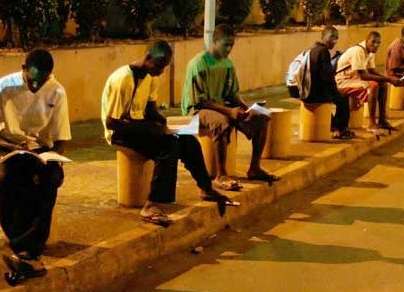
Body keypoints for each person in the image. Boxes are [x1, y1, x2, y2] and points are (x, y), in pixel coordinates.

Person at [101, 40, 230, 226]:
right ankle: (152, 204)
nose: (161, 71)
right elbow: (112, 122)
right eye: (159, 66)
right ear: (148, 58)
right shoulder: (123, 79)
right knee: (168, 147)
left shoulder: (151, 77)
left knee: (188, 140)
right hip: (119, 131)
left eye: (164, 67)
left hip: (139, 125)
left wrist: (167, 124)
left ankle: (206, 187)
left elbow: (150, 110)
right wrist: (150, 129)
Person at [0, 49, 71, 272]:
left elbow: (61, 138)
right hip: (7, 147)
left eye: (42, 81)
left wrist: (53, 158)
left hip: (39, 149)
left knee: (50, 179)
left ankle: (28, 249)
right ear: (23, 69)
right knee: (11, 179)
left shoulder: (57, 91)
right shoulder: (3, 87)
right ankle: (25, 247)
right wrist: (12, 147)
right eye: (32, 81)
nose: (35, 86)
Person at [182, 24, 279, 189]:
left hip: (222, 106)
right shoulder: (198, 63)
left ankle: (254, 168)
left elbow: (232, 94)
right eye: (225, 44)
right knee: (222, 121)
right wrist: (229, 111)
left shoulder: (228, 64)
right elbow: (200, 101)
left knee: (262, 117)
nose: (229, 49)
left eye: (231, 45)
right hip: (198, 110)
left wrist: (247, 109)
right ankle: (221, 175)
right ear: (215, 42)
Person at [335, 31, 402, 133]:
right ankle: (371, 123)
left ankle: (382, 120)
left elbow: (371, 71)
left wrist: (388, 79)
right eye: (373, 42)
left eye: (378, 43)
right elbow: (363, 76)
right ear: (367, 41)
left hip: (354, 79)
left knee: (383, 85)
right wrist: (389, 79)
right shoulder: (358, 51)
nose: (376, 45)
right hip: (343, 81)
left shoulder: (370, 52)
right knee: (373, 85)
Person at [305, 26, 353, 139]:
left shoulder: (312, 49)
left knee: (333, 99)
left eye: (336, 37)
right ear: (323, 37)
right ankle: (341, 129)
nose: (334, 41)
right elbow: (327, 78)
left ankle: (333, 126)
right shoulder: (323, 52)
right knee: (342, 98)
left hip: (307, 91)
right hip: (314, 93)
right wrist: (336, 91)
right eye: (331, 37)